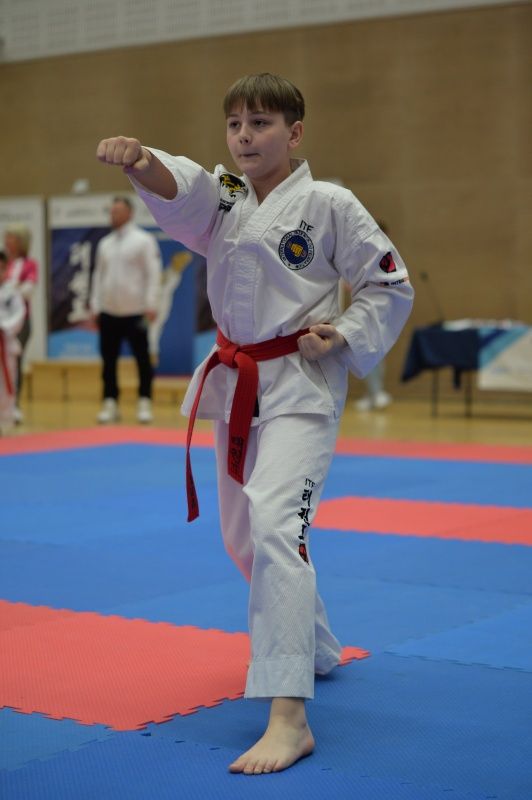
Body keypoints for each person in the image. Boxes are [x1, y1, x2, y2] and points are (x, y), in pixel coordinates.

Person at [96, 73, 414, 774]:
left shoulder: (330, 204)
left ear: (294, 134)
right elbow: (183, 190)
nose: (245, 137)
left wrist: (344, 332)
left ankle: (288, 715)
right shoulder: (227, 198)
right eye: (236, 124)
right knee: (243, 538)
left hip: (301, 382)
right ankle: (316, 646)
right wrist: (141, 160)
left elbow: (389, 284)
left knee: (275, 525)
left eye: (261, 124)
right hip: (237, 381)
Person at [89, 196, 162, 424]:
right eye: (111, 211)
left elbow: (153, 273)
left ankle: (144, 402)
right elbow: (98, 276)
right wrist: (95, 305)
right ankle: (110, 402)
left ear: (130, 213)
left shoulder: (144, 240)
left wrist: (151, 304)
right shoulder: (105, 244)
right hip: (108, 312)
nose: (113, 215)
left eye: (118, 211)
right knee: (108, 361)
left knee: (142, 359)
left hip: (136, 312)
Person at [355, 220, 393, 411]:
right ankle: (372, 394)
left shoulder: (387, 255)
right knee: (366, 352)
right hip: (363, 310)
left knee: (377, 352)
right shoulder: (363, 253)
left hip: (381, 310)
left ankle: (376, 393)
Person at [3, 223, 39, 424]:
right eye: (6, 236)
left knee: (15, 362)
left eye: (12, 237)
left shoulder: (29, 264)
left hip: (20, 321)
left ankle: (14, 404)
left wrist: (10, 287)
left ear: (21, 241)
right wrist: (14, 285)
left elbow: (28, 290)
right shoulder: (3, 262)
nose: (7, 241)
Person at [0, 250, 25, 433]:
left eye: (1, 268)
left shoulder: (12, 291)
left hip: (6, 343)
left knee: (7, 381)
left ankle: (7, 416)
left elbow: (20, 314)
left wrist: (5, 327)